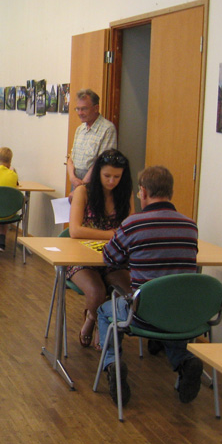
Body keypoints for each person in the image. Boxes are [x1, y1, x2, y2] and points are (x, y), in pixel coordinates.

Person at [96, 165, 201, 406]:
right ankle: (184, 361)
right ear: (170, 192)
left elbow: (109, 258)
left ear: (143, 192)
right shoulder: (190, 225)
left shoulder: (134, 224)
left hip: (142, 315)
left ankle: (112, 364)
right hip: (183, 314)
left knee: (105, 311)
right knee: (169, 310)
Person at [67, 149, 134, 350]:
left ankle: (104, 324)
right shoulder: (83, 192)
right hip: (82, 258)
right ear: (98, 173)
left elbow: (130, 228)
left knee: (128, 293)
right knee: (97, 292)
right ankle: (91, 319)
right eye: (107, 176)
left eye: (117, 177)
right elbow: (75, 231)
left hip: (114, 259)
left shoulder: (125, 194)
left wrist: (116, 236)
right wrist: (112, 234)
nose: (112, 181)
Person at [66, 89, 117, 189]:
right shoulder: (80, 129)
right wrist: (72, 178)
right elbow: (71, 159)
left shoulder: (107, 129)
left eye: (84, 109)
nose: (80, 113)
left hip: (93, 181)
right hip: (76, 181)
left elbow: (102, 162)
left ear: (96, 108)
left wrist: (82, 185)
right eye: (77, 109)